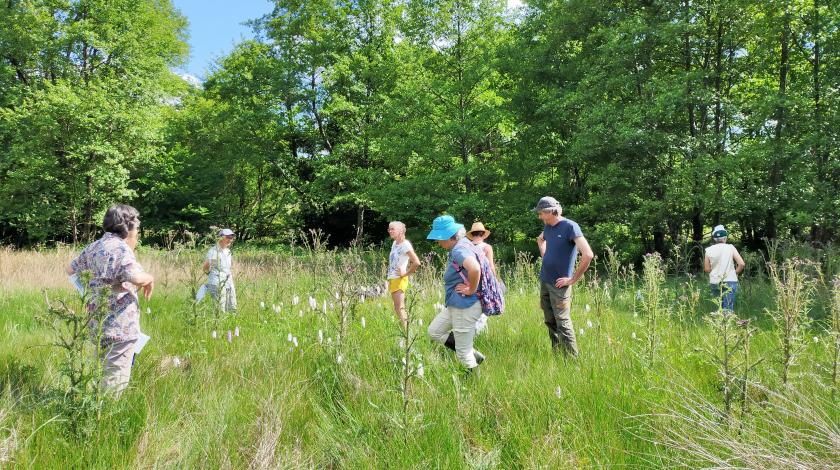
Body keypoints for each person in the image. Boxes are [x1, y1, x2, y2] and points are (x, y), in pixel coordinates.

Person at [66, 204, 155, 397]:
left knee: (103, 372)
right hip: (120, 327)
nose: (137, 235)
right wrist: (149, 278)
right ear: (128, 228)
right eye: (137, 229)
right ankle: (105, 420)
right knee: (115, 381)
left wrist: (89, 291)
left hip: (97, 322)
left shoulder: (94, 247)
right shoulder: (121, 249)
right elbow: (136, 277)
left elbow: (71, 270)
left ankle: (98, 412)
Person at [534, 197, 594, 357]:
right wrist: (542, 249)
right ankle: (558, 354)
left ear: (550, 212)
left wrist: (573, 279)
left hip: (560, 285)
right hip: (545, 280)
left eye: (541, 213)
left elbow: (588, 254)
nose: (539, 217)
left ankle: (572, 360)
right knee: (549, 319)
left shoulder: (570, 227)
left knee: (563, 322)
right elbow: (541, 239)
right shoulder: (547, 227)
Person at [426, 215, 485, 371]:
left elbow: (475, 268)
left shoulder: (459, 250)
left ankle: (474, 386)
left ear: (448, 237)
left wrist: (471, 289)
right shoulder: (462, 245)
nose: (438, 242)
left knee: (462, 353)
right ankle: (475, 355)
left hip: (464, 305)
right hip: (456, 302)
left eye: (439, 238)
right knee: (434, 331)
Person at [386, 221, 421, 330]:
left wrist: (405, 273)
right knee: (397, 308)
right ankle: (405, 331)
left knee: (400, 308)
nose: (390, 231)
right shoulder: (395, 243)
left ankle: (407, 335)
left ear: (401, 231)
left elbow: (416, 262)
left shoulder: (405, 244)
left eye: (393, 229)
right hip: (393, 278)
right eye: (389, 229)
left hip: (399, 279)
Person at [704, 225, 745, 312]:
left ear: (715, 239)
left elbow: (707, 269)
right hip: (730, 280)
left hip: (715, 281)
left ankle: (718, 324)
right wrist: (734, 273)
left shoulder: (708, 250)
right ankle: (726, 324)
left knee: (719, 307)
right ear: (725, 237)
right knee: (728, 308)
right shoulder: (730, 247)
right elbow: (741, 264)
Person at [467, 221, 496, 334]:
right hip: (484, 280)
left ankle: (471, 330)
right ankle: (479, 331)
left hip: (470, 279)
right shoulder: (487, 247)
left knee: (472, 306)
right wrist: (495, 280)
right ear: (483, 234)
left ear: (472, 234)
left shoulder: (467, 246)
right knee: (484, 305)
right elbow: (490, 265)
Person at [203, 228, 237, 313]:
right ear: (221, 238)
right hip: (217, 283)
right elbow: (207, 267)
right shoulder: (214, 251)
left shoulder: (228, 251)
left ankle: (231, 325)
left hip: (228, 282)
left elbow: (228, 267)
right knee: (220, 309)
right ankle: (219, 326)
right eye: (228, 237)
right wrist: (211, 276)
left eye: (232, 237)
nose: (230, 239)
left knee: (232, 307)